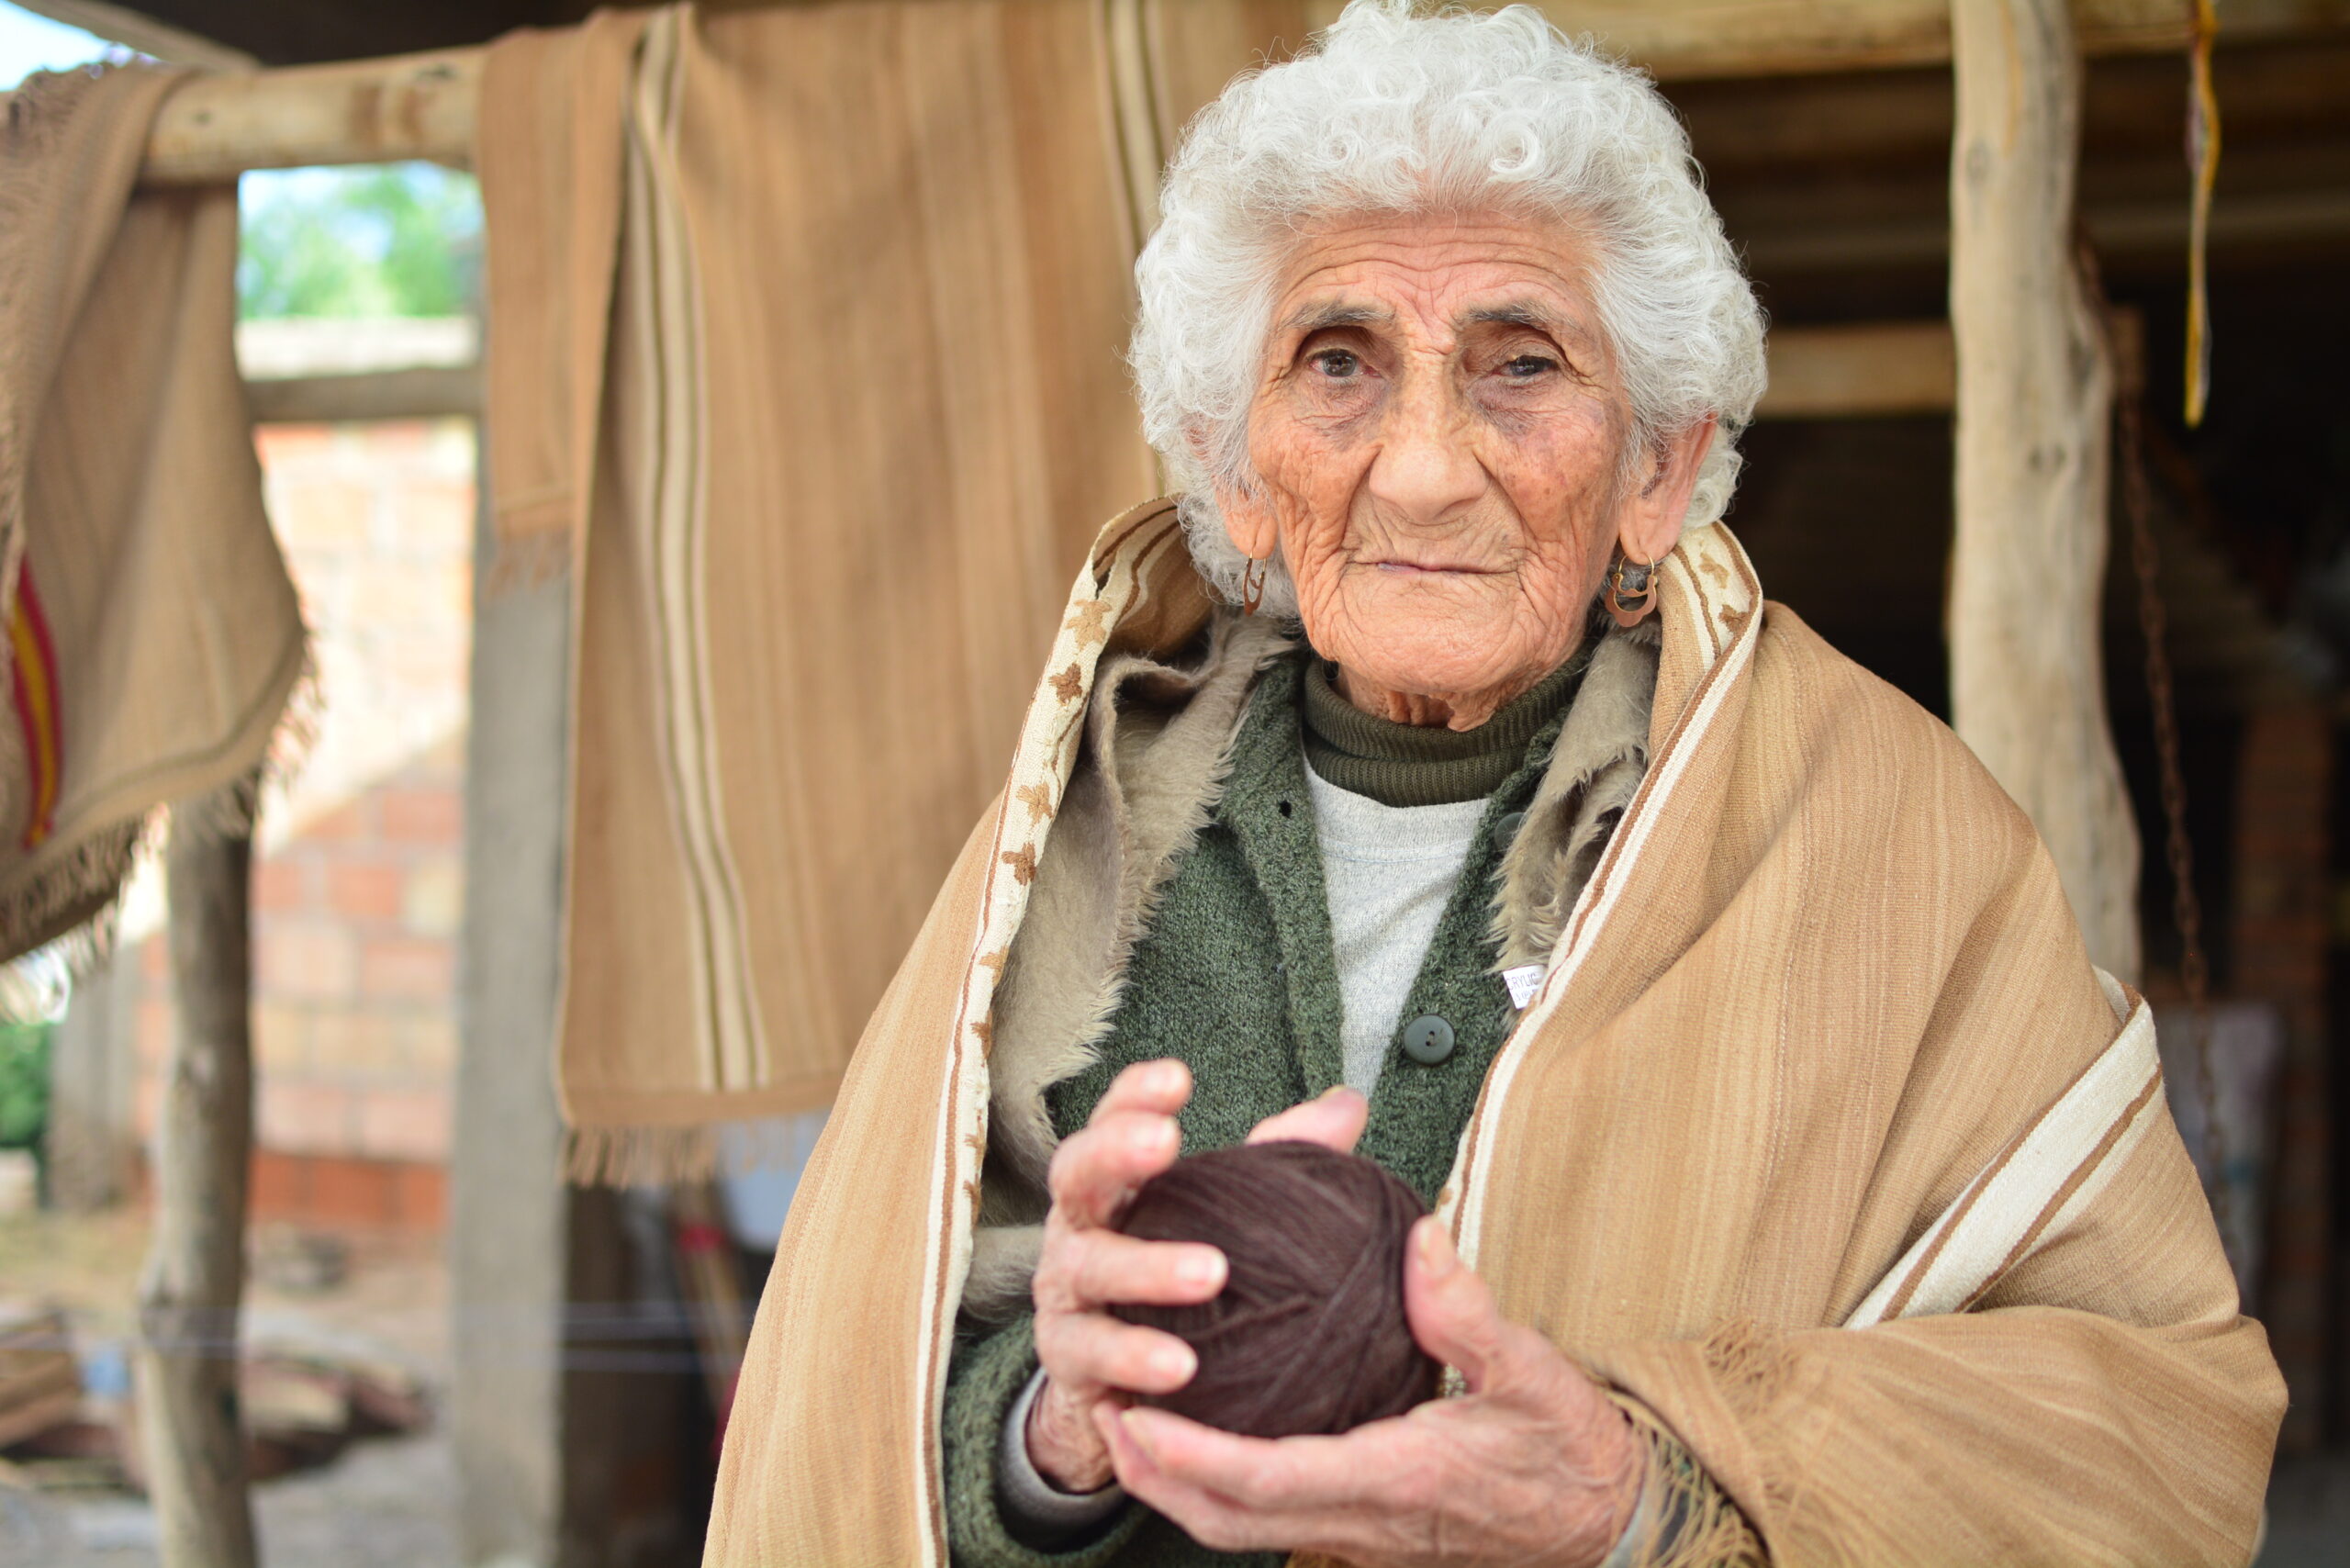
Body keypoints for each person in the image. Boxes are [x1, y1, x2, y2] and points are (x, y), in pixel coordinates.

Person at [703, 5, 2283, 1563]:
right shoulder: (1070, 844)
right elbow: (857, 1417)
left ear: (1657, 466)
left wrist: (1634, 1496)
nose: (1423, 467)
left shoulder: (1887, 837)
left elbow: (2156, 1436)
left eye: (1520, 364)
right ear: (1237, 467)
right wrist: (1054, 1431)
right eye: (1339, 362)